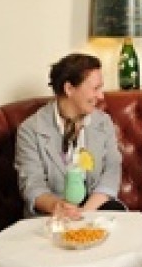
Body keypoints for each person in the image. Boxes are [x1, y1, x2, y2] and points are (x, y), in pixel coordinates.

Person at [15, 53, 123, 219]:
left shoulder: (103, 122)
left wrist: (85, 212)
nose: (101, 96)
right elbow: (32, 186)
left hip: (95, 207)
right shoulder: (30, 130)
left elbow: (112, 171)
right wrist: (58, 207)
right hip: (53, 215)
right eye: (95, 88)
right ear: (69, 89)